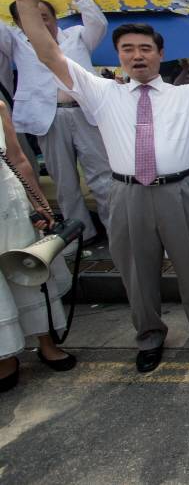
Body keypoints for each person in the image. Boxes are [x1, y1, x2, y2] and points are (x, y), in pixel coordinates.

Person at [8, 0, 189, 374]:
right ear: (119, 55)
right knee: (136, 273)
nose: (137, 56)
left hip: (179, 191)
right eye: (128, 49)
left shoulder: (187, 96)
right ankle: (150, 336)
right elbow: (48, 55)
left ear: (160, 54)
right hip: (126, 193)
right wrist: (28, 4)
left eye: (145, 49)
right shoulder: (102, 93)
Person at [0, 0, 112, 246]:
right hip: (47, 118)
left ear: (55, 17)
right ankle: (79, 235)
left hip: (86, 113)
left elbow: (97, 22)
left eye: (46, 17)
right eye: (32, 17)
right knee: (64, 181)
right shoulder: (15, 42)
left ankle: (117, 230)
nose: (42, 23)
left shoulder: (76, 36)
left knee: (102, 175)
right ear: (19, 22)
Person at [0, 100, 76, 392]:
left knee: (27, 268)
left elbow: (18, 159)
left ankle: (46, 343)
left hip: (7, 202)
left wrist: (39, 203)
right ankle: (6, 356)